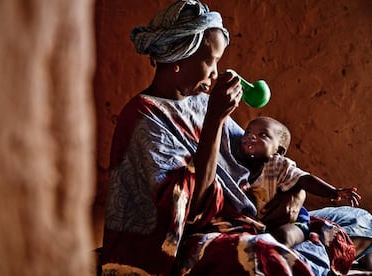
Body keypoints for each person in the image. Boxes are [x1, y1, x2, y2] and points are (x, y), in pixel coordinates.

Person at [100, 1, 356, 275]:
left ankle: (299, 252)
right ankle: (302, 255)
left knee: (355, 219)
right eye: (210, 61)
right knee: (256, 255)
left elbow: (257, 163)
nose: (215, 72)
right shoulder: (142, 118)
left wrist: (296, 192)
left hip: (249, 220)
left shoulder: (198, 101)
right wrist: (214, 121)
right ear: (177, 60)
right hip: (189, 240)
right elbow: (191, 210)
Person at [232, 116, 361, 248]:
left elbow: (304, 179)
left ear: (278, 150)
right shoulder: (237, 164)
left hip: (291, 223)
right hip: (256, 223)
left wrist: (333, 192)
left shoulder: (278, 165)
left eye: (262, 135)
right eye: (248, 132)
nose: (251, 137)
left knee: (284, 235)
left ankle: (278, 255)